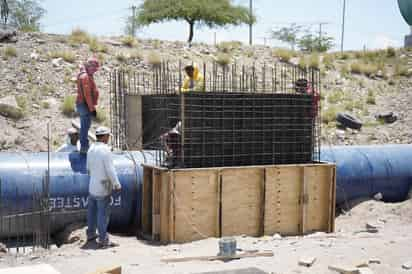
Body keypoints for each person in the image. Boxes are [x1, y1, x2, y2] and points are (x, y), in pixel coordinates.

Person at [86, 126, 121, 248]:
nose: (108, 138)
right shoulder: (105, 150)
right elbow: (110, 169)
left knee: (92, 212)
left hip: (92, 186)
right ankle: (103, 240)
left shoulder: (91, 148)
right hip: (102, 187)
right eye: (108, 136)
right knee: (103, 214)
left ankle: (90, 234)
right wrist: (116, 183)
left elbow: (88, 168)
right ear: (105, 137)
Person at [76, 57, 100, 154]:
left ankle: (84, 146)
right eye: (94, 68)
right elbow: (87, 95)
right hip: (85, 104)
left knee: (85, 126)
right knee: (85, 127)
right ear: (89, 66)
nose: (95, 71)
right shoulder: (85, 77)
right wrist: (92, 108)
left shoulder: (85, 74)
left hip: (84, 104)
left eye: (96, 69)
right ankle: (84, 148)